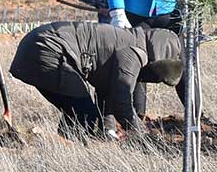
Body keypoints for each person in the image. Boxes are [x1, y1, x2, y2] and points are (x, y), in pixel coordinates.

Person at [9, 21, 183, 137]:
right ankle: (66, 154)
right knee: (86, 116)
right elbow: (120, 99)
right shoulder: (133, 52)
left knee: (77, 113)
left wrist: (108, 131)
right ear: (159, 58)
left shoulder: (133, 41)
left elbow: (107, 95)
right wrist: (140, 133)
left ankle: (62, 149)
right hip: (48, 48)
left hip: (42, 46)